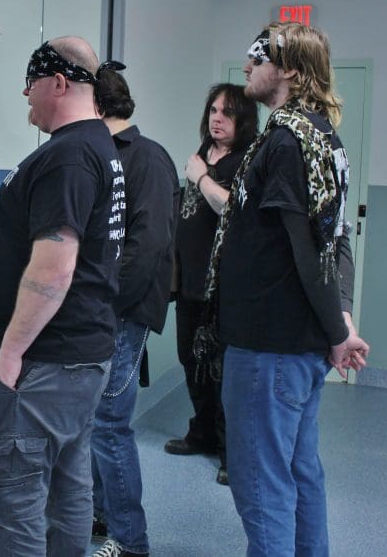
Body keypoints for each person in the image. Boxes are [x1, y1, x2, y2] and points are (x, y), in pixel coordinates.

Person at [195, 21, 369, 556]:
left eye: (257, 57)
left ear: (288, 68)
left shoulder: (291, 142)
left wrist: (338, 330)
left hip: (270, 348)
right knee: (299, 473)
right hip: (293, 346)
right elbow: (335, 240)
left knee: (262, 487)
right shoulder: (323, 140)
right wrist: (340, 321)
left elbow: (311, 248)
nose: (247, 66)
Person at [0, 36, 126, 556]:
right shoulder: (97, 146)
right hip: (78, 355)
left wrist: (11, 352)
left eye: (30, 83)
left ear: (58, 82)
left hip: (48, 361)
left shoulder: (71, 155)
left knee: (14, 494)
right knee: (68, 483)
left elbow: (56, 267)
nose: (25, 95)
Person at [88, 68, 179, 557]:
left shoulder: (148, 158)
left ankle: (130, 542)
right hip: (102, 308)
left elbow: (147, 246)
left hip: (122, 310)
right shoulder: (104, 154)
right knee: (95, 423)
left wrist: (106, 299)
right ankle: (101, 514)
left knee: (109, 424)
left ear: (97, 107)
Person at [164, 83, 258, 486]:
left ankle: (229, 451)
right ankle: (200, 432)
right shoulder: (203, 154)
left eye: (228, 113)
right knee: (190, 360)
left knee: (221, 370)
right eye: (214, 110)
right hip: (190, 283)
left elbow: (231, 211)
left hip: (223, 287)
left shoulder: (245, 161)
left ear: (243, 122)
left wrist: (201, 178)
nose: (217, 118)